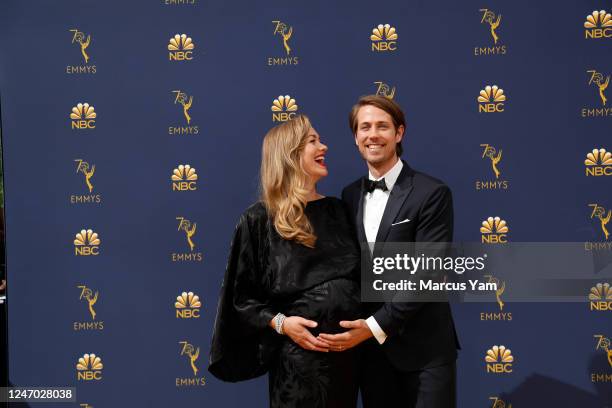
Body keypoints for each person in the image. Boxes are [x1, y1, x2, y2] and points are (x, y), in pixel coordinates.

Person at [209, 115, 362, 407]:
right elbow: (240, 298)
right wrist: (282, 323)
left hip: (348, 361)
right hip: (298, 365)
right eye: (313, 141)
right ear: (289, 154)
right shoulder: (257, 220)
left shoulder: (340, 210)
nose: (324, 147)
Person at [318, 95, 460, 407]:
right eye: (364, 127)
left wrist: (372, 326)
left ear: (399, 133)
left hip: (425, 353)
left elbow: (429, 274)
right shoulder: (349, 195)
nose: (373, 134)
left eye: (382, 126)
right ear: (356, 138)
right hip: (372, 357)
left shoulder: (431, 193)